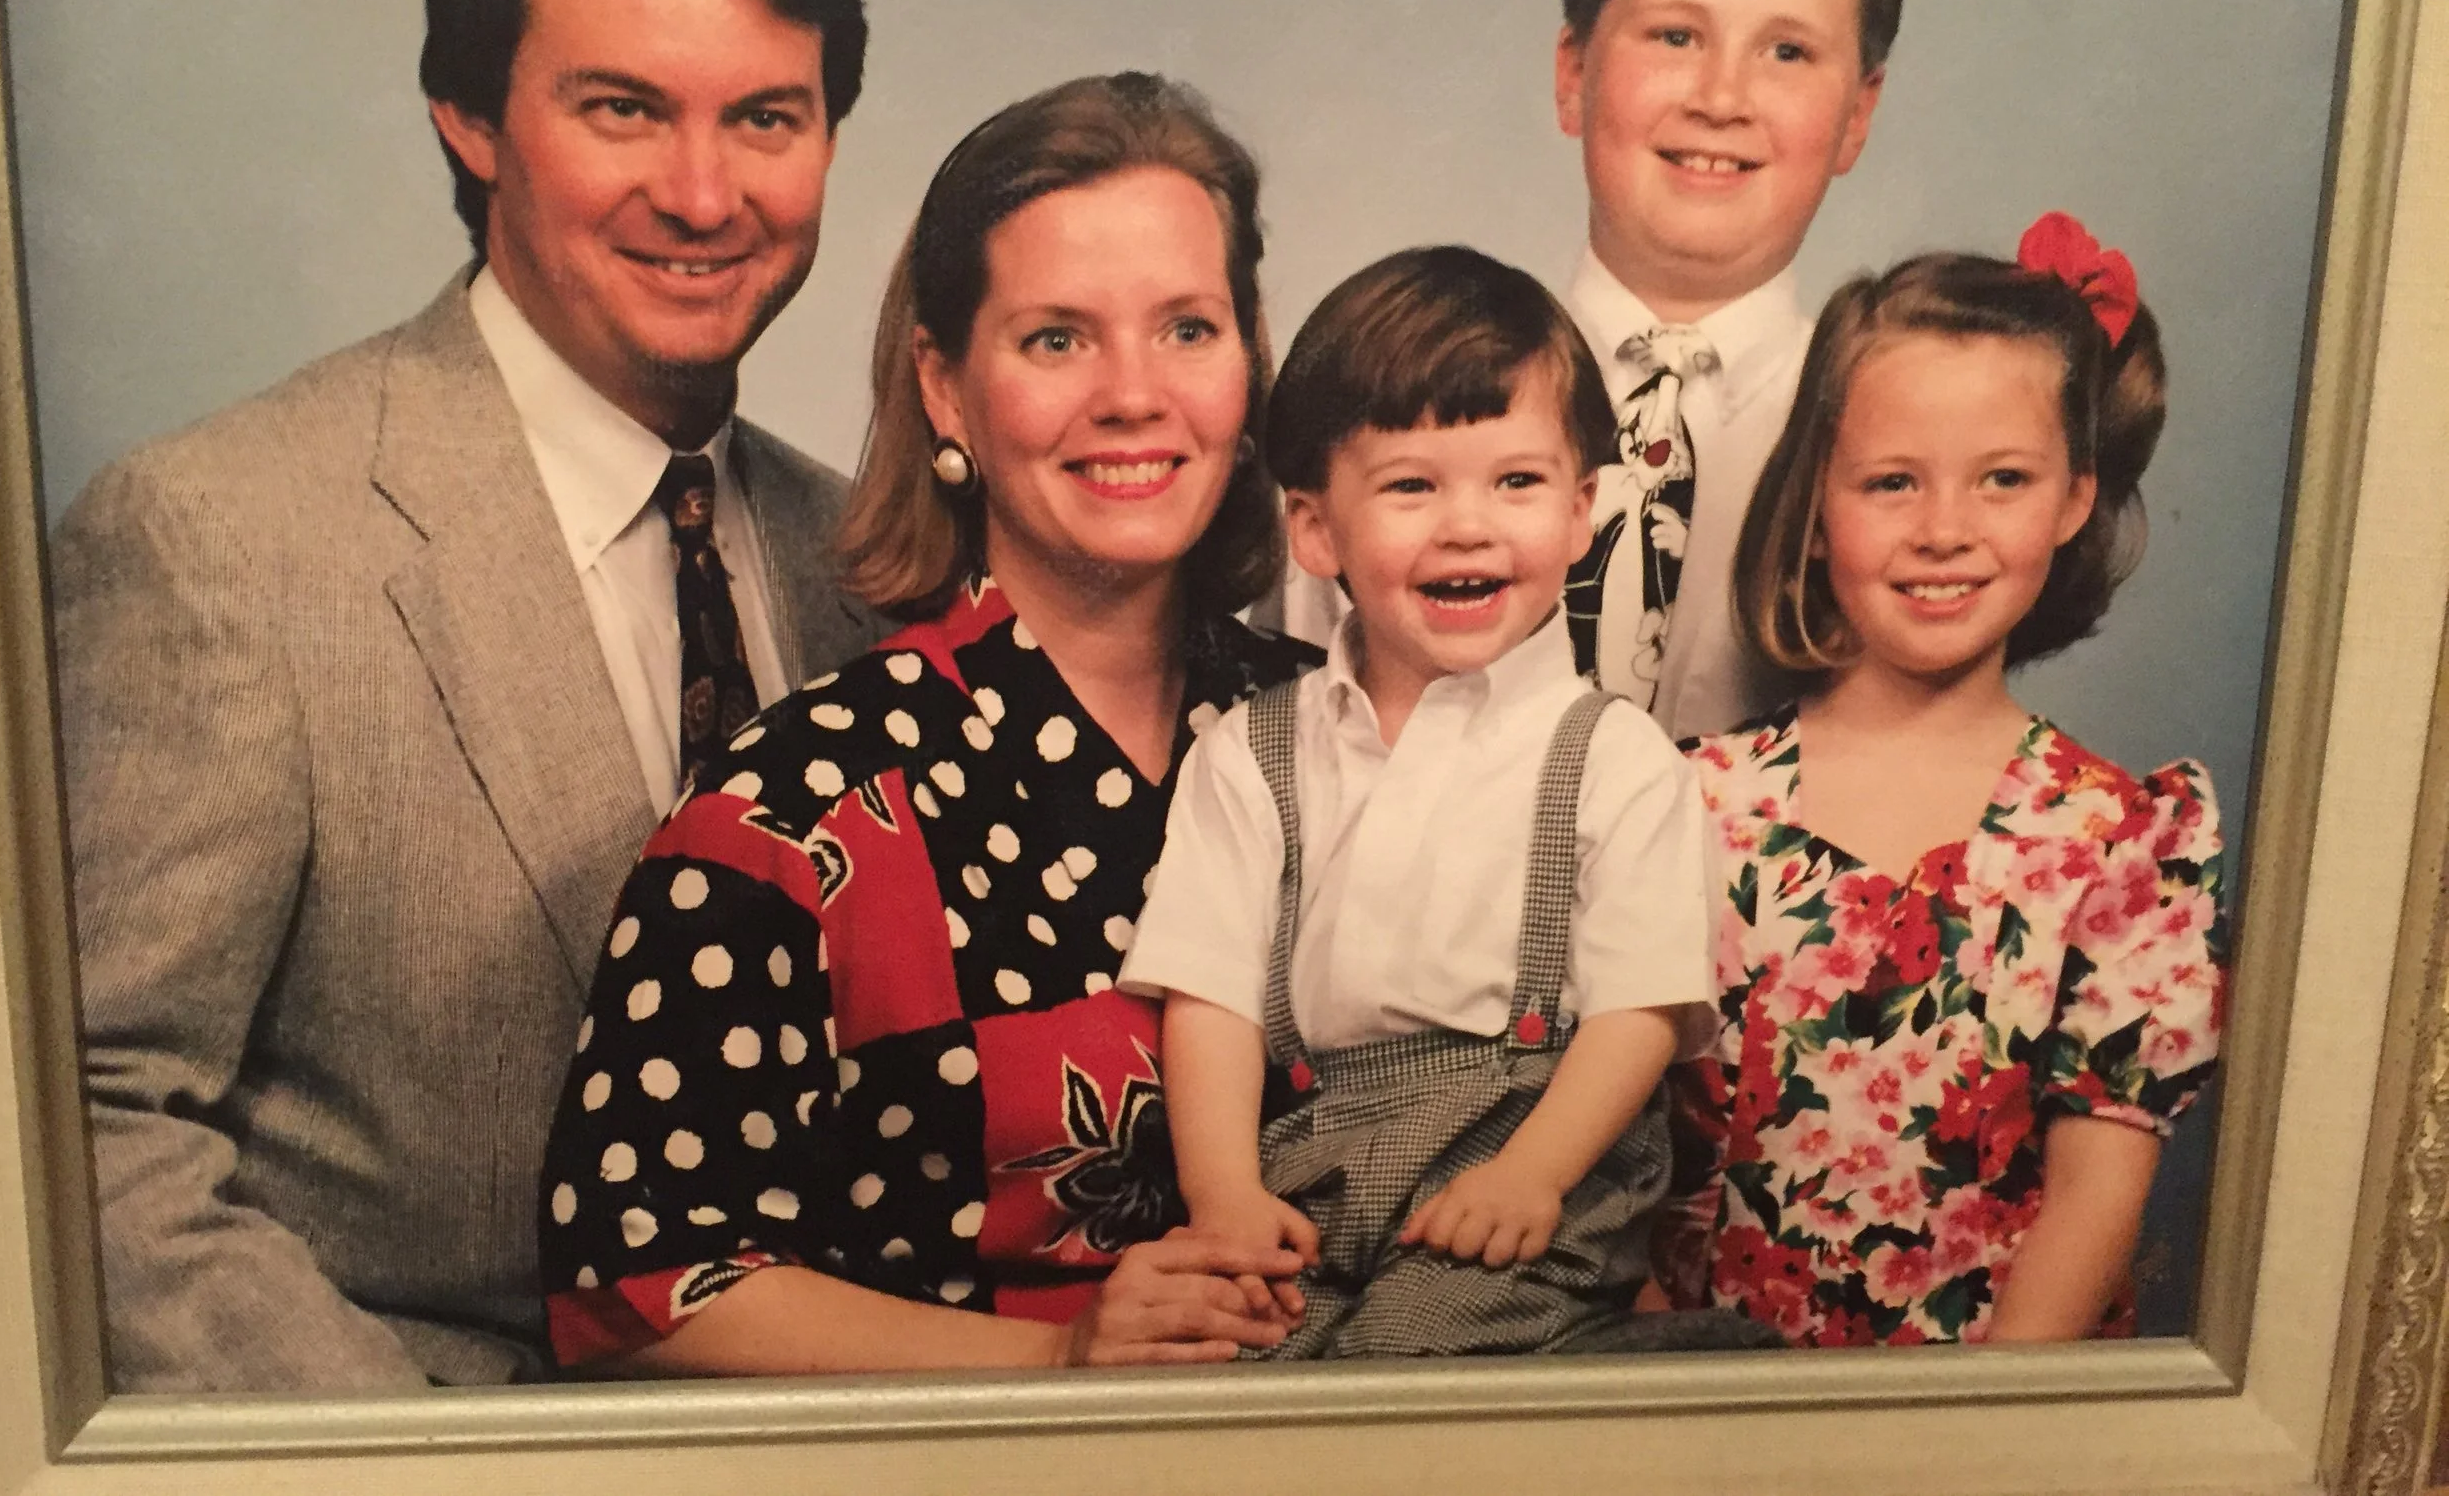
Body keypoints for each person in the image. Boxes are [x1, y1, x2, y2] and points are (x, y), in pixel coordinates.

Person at [53, 0, 881, 1391]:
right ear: (470, 116)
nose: (707, 196)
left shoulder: (870, 565)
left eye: (768, 117)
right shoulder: (218, 539)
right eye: (624, 109)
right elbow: (79, 1122)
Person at [539, 73, 1324, 1374]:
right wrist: (1060, 1358)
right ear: (946, 388)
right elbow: (638, 1284)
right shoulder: (789, 816)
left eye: (1188, 327)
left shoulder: (1352, 735)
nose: (1135, 393)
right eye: (1057, 338)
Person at [1120, 246, 1719, 1358]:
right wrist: (1225, 1197)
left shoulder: (1614, 759)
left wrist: (1530, 1175)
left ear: (1583, 507)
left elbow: (1641, 1011)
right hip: (1309, 1164)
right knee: (1225, 1385)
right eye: (1410, 485)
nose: (1467, 525)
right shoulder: (1255, 753)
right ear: (1313, 528)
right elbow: (1208, 999)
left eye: (1517, 482)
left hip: (1532, 1168)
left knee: (1402, 1377)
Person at [1655, 217, 2227, 1345]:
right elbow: (1630, 1167)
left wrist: (1970, 1440)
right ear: (1815, 507)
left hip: (1994, 1426)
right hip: (1710, 1408)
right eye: (1890, 483)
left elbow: (2096, 1194)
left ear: (2072, 502)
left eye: (2002, 479)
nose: (1944, 531)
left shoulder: (2119, 840)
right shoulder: (1694, 804)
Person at [1282, 0, 1904, 741]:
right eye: (1674, 36)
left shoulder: (1888, 444)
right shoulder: (1394, 395)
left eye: (1787, 51)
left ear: (1858, 112)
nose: (1722, 97)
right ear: (1573, 73)